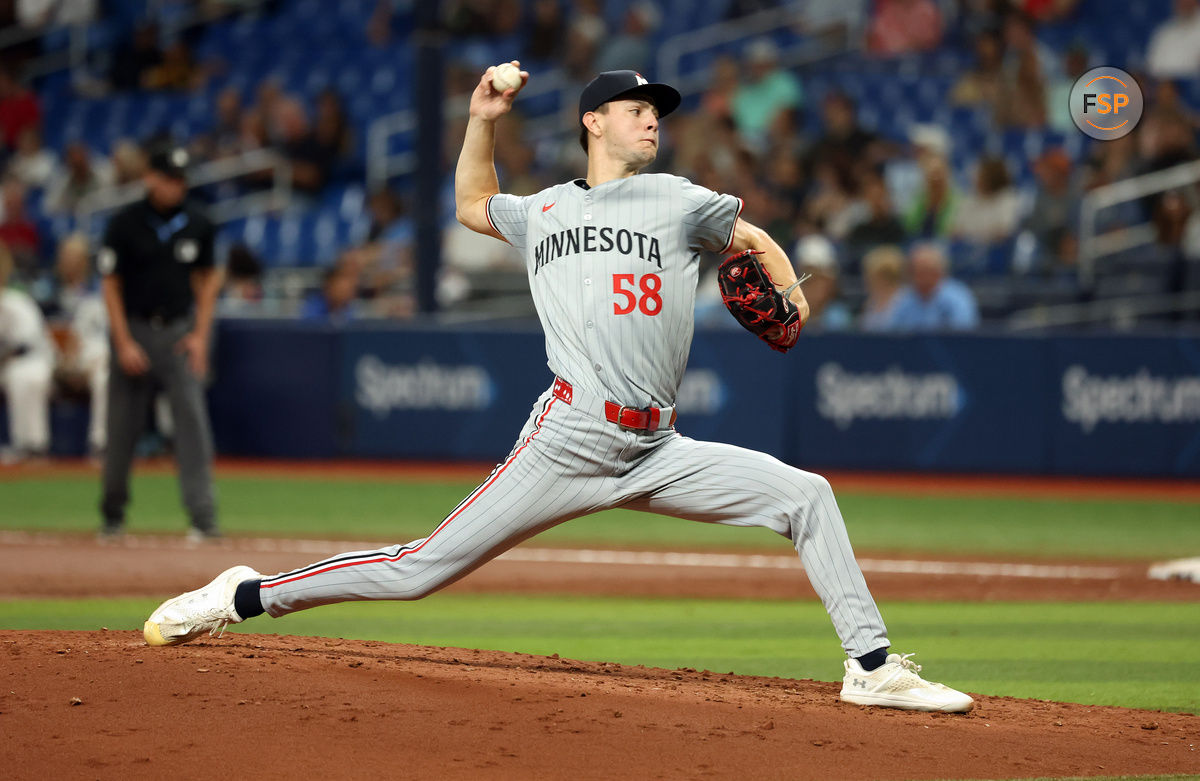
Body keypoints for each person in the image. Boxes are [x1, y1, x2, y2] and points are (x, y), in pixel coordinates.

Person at [143, 67, 973, 714]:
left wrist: (789, 298)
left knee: (808, 495)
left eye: (658, 109)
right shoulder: (541, 209)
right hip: (569, 437)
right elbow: (471, 201)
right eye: (637, 107)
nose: (653, 117)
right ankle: (244, 594)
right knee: (417, 570)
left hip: (659, 446)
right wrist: (480, 119)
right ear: (594, 120)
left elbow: (754, 237)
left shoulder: (679, 199)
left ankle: (870, 668)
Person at [97, 144, 221, 540]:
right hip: (134, 330)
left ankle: (203, 519)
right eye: (169, 178)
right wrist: (122, 341)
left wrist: (201, 335)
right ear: (150, 177)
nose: (176, 186)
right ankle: (112, 516)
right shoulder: (125, 223)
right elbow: (110, 284)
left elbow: (207, 282)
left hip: (178, 333)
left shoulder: (199, 222)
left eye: (181, 179)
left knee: (192, 424)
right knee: (121, 427)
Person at [0, 241, 53, 463]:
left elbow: (23, 345)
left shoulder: (16, 301)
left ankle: (32, 446)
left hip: (31, 360)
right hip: (8, 364)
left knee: (23, 376)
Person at [888, 243, 980, 331]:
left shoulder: (958, 297)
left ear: (939, 272)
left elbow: (963, 338)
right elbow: (892, 334)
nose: (919, 277)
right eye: (914, 271)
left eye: (925, 271)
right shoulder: (905, 297)